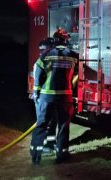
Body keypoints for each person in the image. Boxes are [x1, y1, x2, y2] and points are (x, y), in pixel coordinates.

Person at [30, 28, 78, 165]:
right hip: (65, 97)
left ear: (54, 41)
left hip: (46, 97)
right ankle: (61, 155)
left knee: (41, 124)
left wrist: (36, 93)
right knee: (63, 125)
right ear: (66, 41)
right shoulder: (73, 55)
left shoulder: (45, 55)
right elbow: (79, 70)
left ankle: (35, 156)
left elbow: (38, 75)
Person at [32, 37, 58, 155]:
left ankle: (50, 144)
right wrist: (36, 95)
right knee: (44, 123)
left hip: (48, 97)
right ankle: (41, 147)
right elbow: (37, 81)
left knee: (52, 122)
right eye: (41, 50)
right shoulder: (41, 61)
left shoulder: (48, 60)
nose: (43, 51)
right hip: (42, 98)